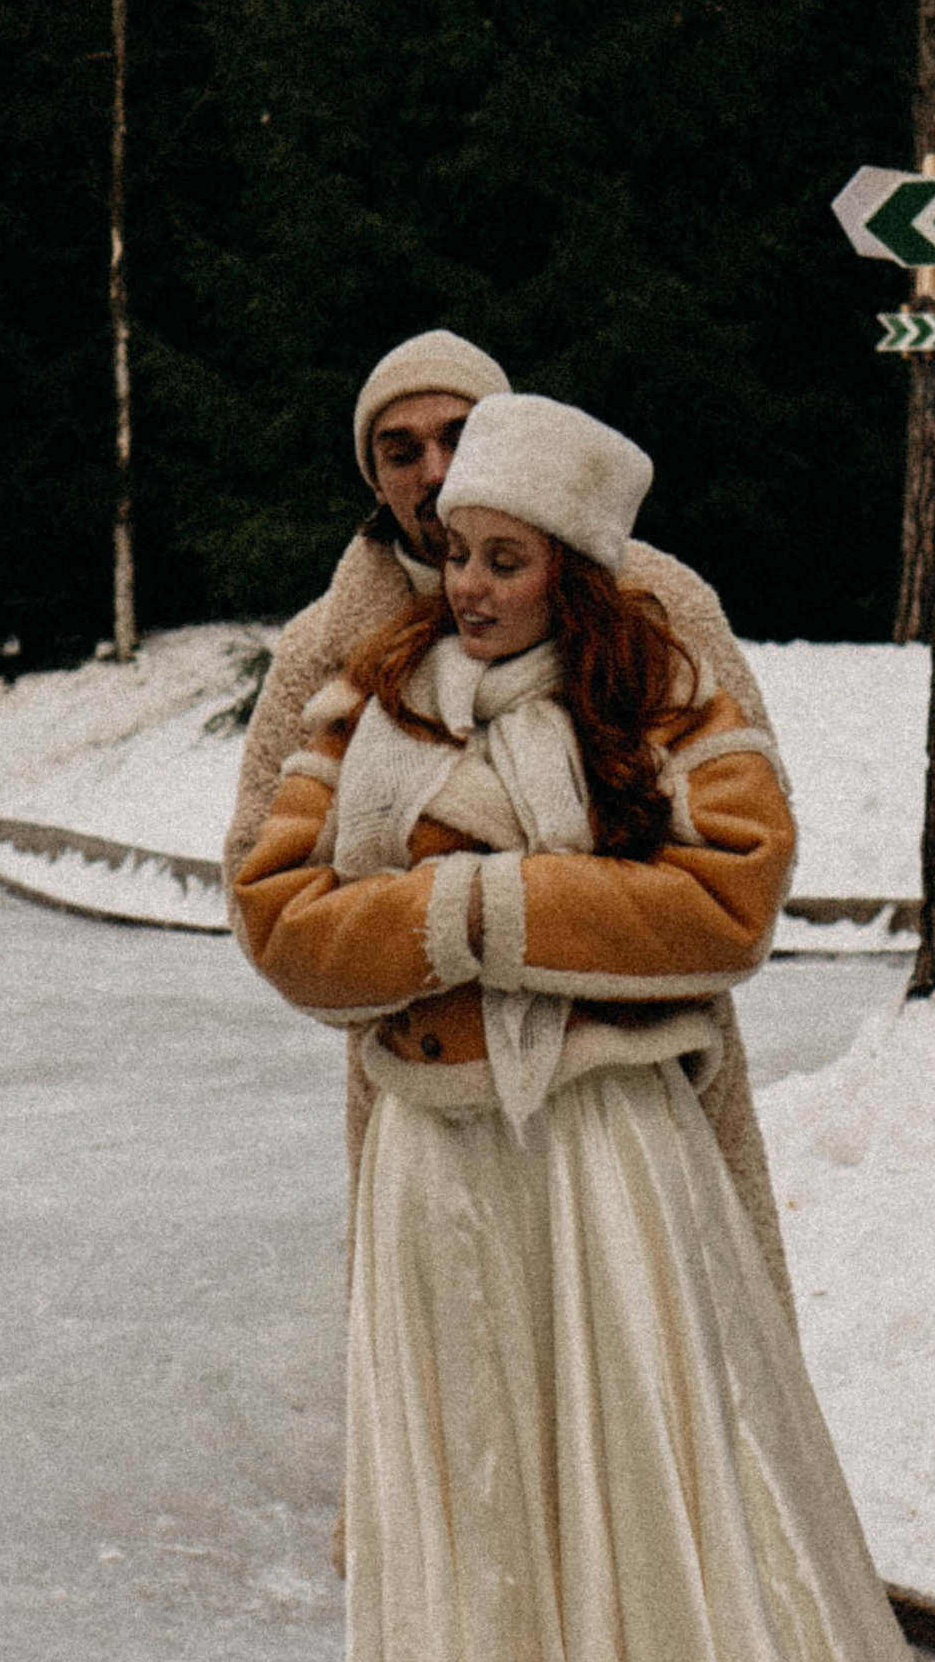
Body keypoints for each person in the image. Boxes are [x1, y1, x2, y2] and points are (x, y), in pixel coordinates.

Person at [232, 392, 935, 1662]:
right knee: (466, 1478)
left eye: (497, 551)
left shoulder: (657, 672)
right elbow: (278, 913)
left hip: (617, 1143)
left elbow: (728, 897)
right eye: (445, 541)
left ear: (566, 557)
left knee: (646, 1469)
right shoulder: (357, 685)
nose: (461, 572)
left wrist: (470, 902)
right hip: (436, 1140)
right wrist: (478, 934)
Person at [225, 329, 798, 1316]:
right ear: (372, 474)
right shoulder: (332, 652)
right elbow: (260, 881)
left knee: (658, 1392)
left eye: (456, 435)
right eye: (399, 450)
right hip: (433, 1094)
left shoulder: (651, 605)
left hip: (637, 1088)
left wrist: (515, 907)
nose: (433, 468)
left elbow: (741, 837)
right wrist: (434, 930)